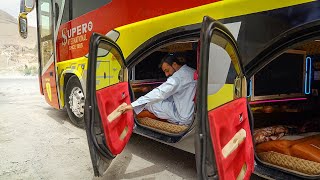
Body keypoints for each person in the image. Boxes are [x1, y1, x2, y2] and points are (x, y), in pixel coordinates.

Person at [119, 54, 197, 125]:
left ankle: (130, 119)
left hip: (184, 117)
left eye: (167, 70)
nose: (166, 74)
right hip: (193, 113)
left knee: (150, 104)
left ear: (174, 65)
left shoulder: (177, 78)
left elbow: (159, 93)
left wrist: (133, 105)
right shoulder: (192, 71)